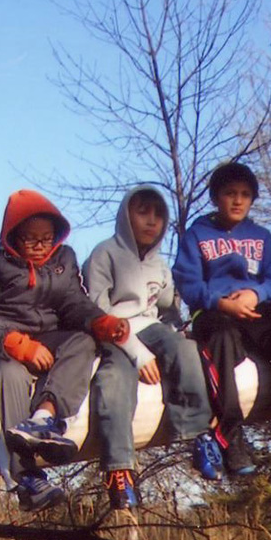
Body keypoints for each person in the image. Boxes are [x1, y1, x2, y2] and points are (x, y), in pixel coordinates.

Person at [0, 189, 130, 511]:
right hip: (5, 345)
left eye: (46, 238)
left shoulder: (63, 258)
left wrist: (101, 323)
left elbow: (73, 302)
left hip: (50, 339)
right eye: (30, 239)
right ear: (13, 235)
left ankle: (44, 418)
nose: (40, 246)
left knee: (83, 341)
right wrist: (17, 343)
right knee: (10, 376)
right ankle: (27, 479)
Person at [173, 160, 271, 475]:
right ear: (216, 197)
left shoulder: (261, 236)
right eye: (230, 193)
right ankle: (232, 437)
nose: (238, 200)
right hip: (216, 312)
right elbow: (188, 283)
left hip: (258, 309)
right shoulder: (197, 234)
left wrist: (257, 294)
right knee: (220, 341)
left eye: (245, 194)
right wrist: (221, 303)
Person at [84, 185, 222, 511]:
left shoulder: (160, 265)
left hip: (150, 328)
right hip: (112, 333)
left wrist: (174, 335)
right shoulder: (105, 253)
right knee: (114, 381)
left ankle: (196, 434)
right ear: (126, 215)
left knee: (186, 351)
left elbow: (168, 310)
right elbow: (96, 310)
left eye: (158, 215)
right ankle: (119, 469)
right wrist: (137, 352)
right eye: (142, 212)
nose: (151, 221)